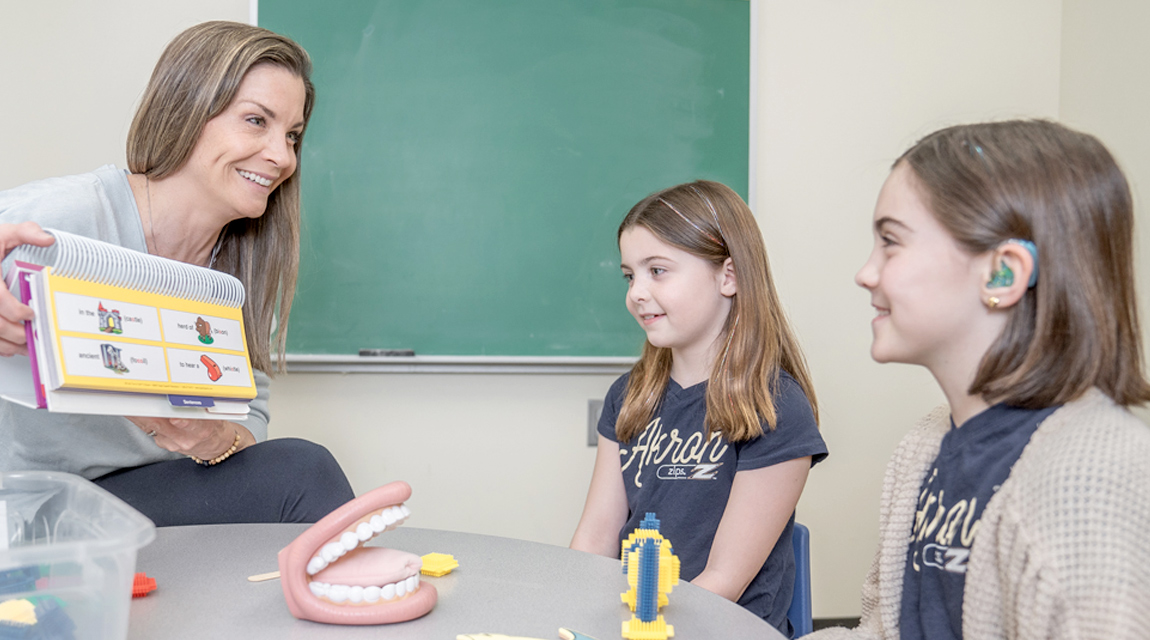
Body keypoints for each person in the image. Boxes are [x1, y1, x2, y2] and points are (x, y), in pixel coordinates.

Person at [0, 21, 354, 526]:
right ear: (187, 111)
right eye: (256, 121)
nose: (282, 157)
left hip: (142, 498)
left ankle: (356, 597)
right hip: (39, 508)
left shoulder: (241, 269)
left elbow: (249, 416)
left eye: (292, 134)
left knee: (300, 469)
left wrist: (215, 441)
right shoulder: (64, 217)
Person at [811, 120, 1150, 639]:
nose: (866, 272)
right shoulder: (924, 446)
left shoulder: (1099, 476)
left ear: (1001, 275)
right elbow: (884, 630)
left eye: (891, 242)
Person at [570, 180, 828, 636]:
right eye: (631, 275)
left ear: (728, 276)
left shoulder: (777, 407)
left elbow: (724, 581)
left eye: (658, 271)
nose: (637, 293)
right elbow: (595, 538)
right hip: (638, 624)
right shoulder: (627, 397)